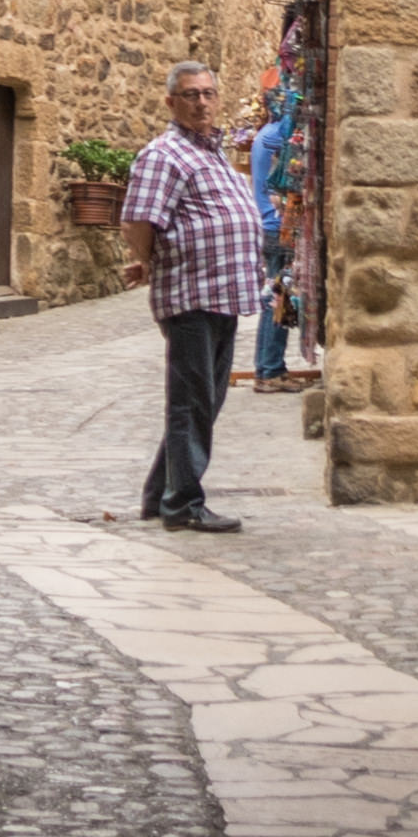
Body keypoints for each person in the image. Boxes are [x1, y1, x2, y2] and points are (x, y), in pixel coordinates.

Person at [120, 56, 264, 531]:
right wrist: (146, 258)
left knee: (206, 400)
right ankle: (182, 505)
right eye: (191, 95)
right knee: (192, 402)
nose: (202, 103)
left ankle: (158, 496)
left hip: (223, 294)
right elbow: (138, 219)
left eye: (208, 93)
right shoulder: (164, 154)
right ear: (171, 102)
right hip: (191, 295)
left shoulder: (212, 152)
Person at [249, 79, 298, 389]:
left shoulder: (264, 135)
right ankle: (270, 370)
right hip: (276, 228)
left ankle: (266, 368)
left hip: (269, 226)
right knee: (278, 299)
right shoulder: (277, 137)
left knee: (273, 296)